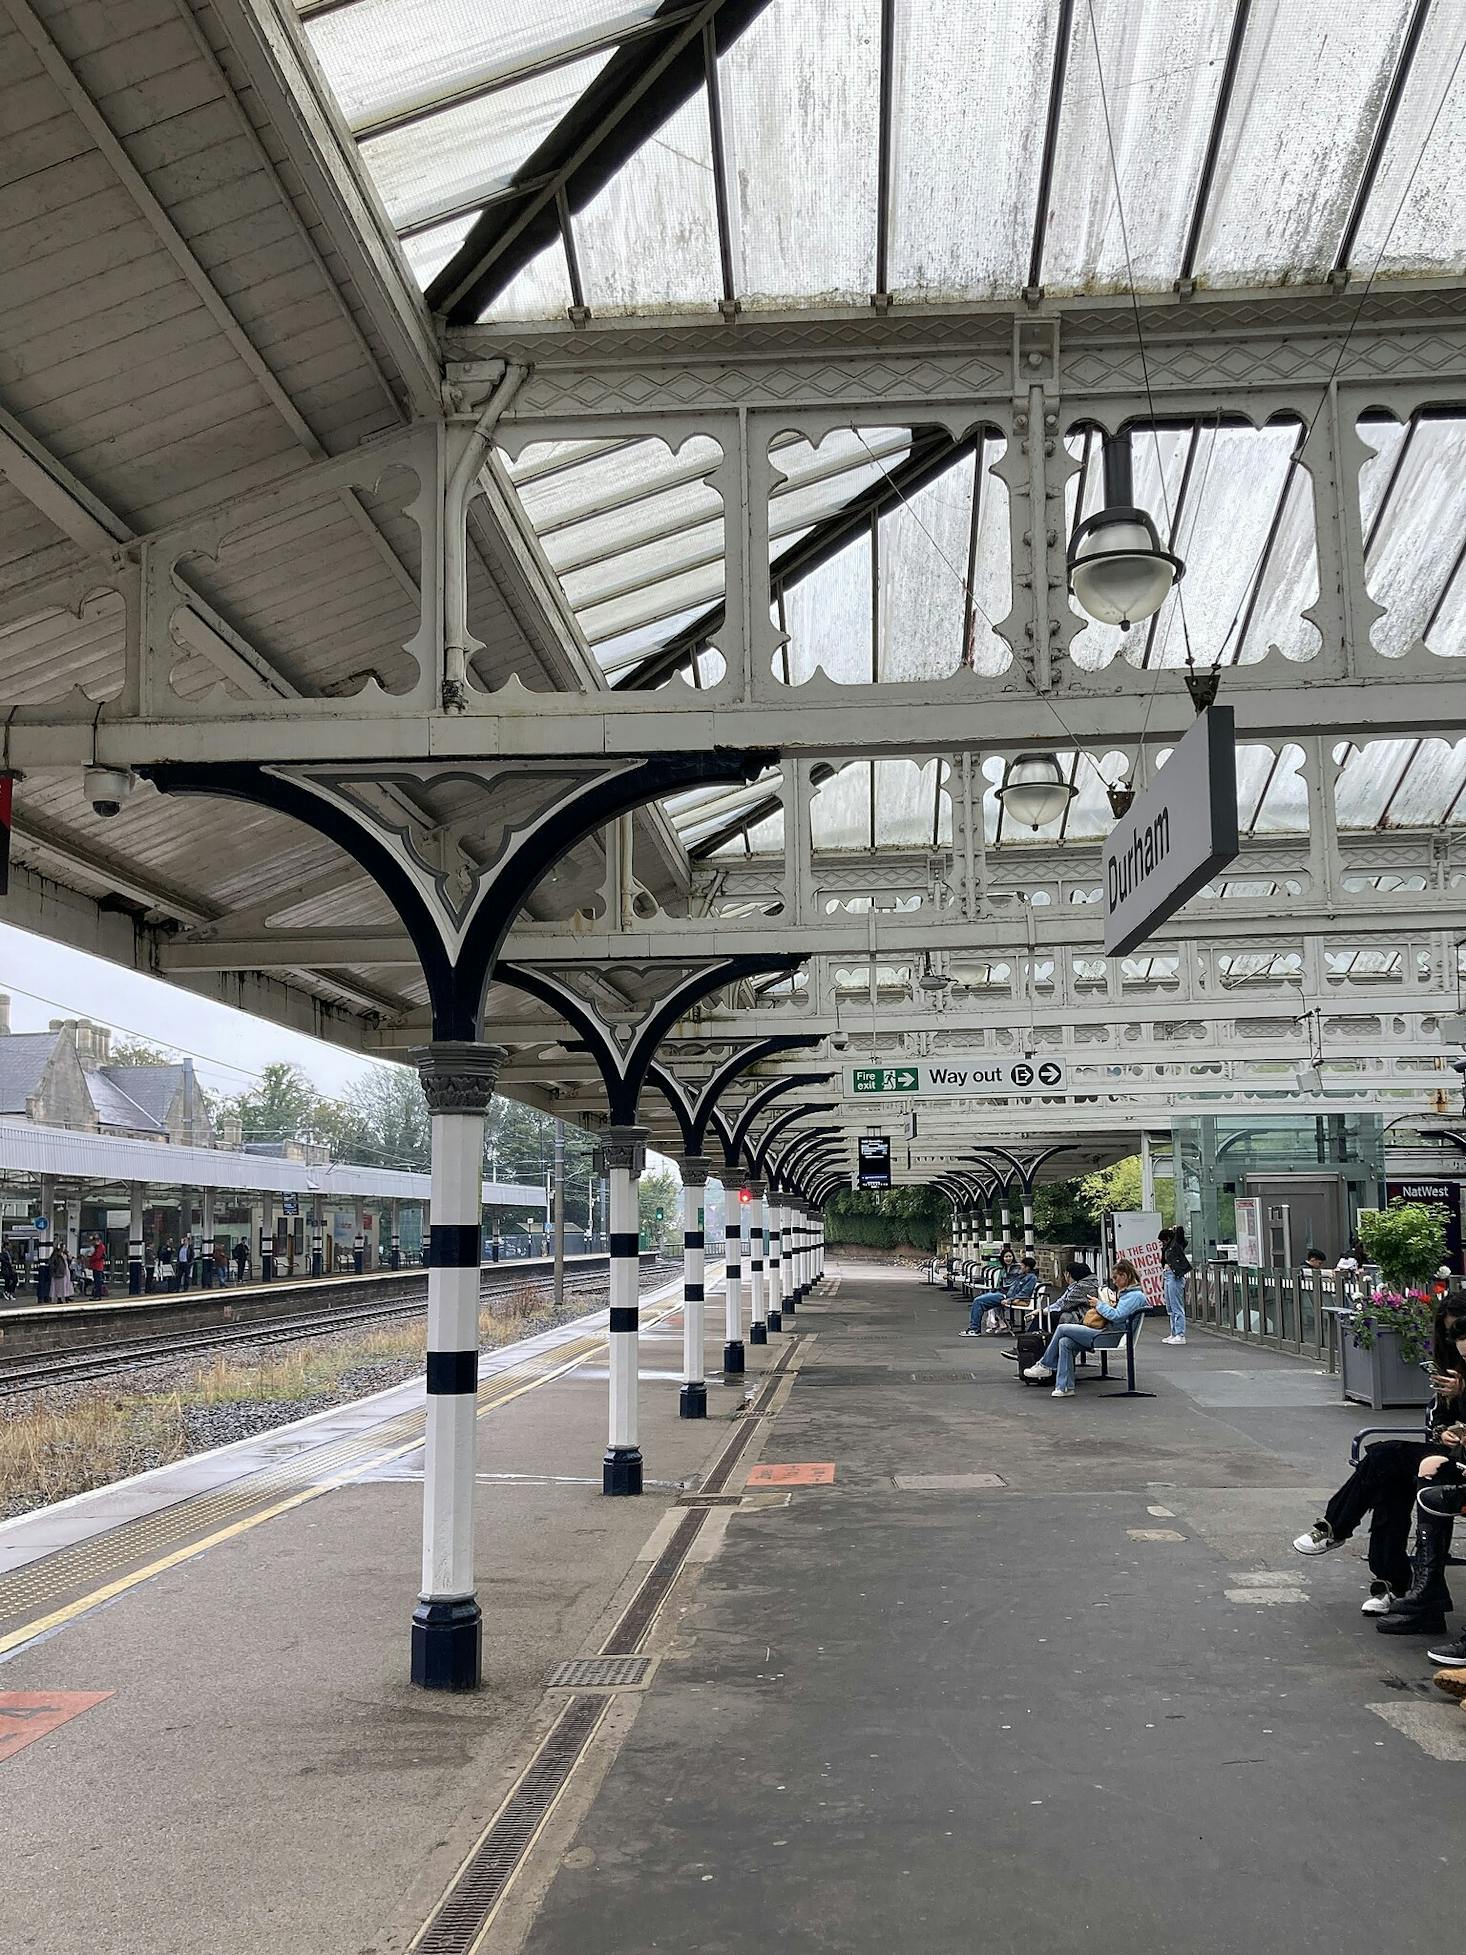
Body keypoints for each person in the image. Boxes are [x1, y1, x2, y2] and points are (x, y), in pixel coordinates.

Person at [1293, 1301, 1466, 1614]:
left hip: (1458, 1467)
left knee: (1386, 1459)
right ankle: (1392, 1583)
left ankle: (1339, 1530)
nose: (1459, 1341)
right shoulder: (1451, 1363)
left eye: (1461, 1331)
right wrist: (1444, 1429)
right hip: (1451, 1455)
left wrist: (1463, 1391)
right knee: (1388, 1473)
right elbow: (1437, 1421)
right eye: (1451, 1334)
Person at [1023, 1259, 1148, 1397]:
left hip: (1111, 1336)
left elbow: (1117, 1316)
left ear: (1124, 1276)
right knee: (1065, 1342)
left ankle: (1046, 1365)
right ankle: (1064, 1387)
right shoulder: (1129, 1294)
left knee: (1063, 1328)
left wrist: (1099, 1304)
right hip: (1109, 1333)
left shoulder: (1134, 1296)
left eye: (1116, 1278)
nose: (1114, 1281)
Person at [961, 1252, 1036, 1336]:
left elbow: (1024, 1293)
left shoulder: (1030, 1278)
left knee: (978, 1301)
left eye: (1022, 1265)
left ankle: (974, 1329)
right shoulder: (1021, 1275)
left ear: (1027, 1267)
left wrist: (1009, 1300)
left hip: (1005, 1296)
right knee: (980, 1300)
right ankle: (978, 1327)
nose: (1020, 1267)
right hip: (1002, 1293)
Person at [1159, 1225, 1190, 1345]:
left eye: (1163, 1240)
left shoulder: (1176, 1245)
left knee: (1176, 1306)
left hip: (1174, 1275)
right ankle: (1174, 1333)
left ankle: (1180, 1334)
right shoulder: (1168, 1247)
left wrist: (1176, 1230)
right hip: (1168, 1275)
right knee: (1170, 1307)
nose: (1162, 1243)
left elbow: (1181, 1238)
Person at [87, 1234, 107, 1299]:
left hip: (97, 1266)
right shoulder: (98, 1247)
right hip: (96, 1266)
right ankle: (96, 1294)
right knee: (96, 1281)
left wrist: (91, 1258)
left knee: (97, 1281)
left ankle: (97, 1295)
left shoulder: (100, 1247)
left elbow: (97, 1256)